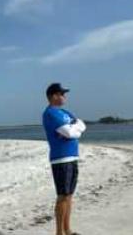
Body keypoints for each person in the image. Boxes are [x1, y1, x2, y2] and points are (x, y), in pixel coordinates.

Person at [42, 83, 84, 235]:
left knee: (69, 195)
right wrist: (74, 130)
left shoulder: (64, 112)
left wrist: (74, 129)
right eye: (62, 94)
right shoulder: (50, 113)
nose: (64, 97)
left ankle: (68, 230)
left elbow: (82, 125)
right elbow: (70, 133)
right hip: (61, 158)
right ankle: (59, 232)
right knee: (62, 196)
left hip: (72, 156)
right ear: (53, 96)